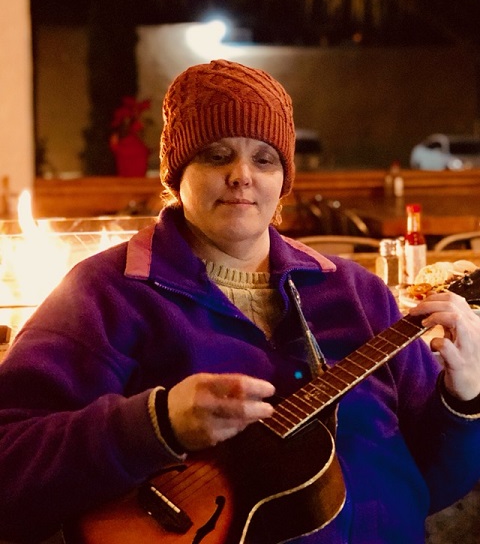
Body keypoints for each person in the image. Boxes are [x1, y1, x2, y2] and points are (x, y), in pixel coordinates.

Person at [0, 59, 480, 544]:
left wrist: (465, 401)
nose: (242, 175)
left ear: (283, 180)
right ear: (177, 173)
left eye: (265, 159)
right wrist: (156, 425)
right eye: (216, 155)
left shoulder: (358, 293)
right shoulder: (105, 293)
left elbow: (432, 484)